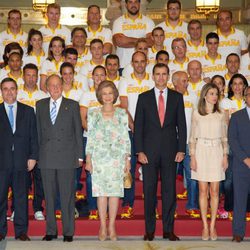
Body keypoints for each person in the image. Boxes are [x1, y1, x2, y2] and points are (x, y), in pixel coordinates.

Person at [134, 63, 186, 241]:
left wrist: (181, 149)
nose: (161, 77)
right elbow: (138, 127)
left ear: (168, 76)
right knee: (149, 191)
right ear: (153, 76)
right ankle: (149, 230)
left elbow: (182, 126)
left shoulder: (177, 97)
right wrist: (139, 151)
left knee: (169, 192)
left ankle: (168, 230)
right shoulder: (144, 97)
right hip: (148, 152)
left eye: (164, 74)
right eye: (158, 74)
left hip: (171, 151)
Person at [36, 74, 83, 242]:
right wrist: (37, 156)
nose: (55, 88)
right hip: (46, 157)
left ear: (62, 86)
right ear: (47, 87)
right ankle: (51, 231)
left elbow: (78, 132)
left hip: (67, 157)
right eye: (51, 85)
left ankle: (68, 231)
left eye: (58, 85)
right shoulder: (40, 105)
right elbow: (38, 133)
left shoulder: (72, 105)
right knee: (49, 196)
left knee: (67, 196)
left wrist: (80, 156)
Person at [86, 80, 131, 241]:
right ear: (99, 95)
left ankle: (112, 225)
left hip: (116, 159)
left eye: (110, 93)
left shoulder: (122, 114)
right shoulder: (93, 113)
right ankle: (102, 226)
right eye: (104, 93)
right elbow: (90, 138)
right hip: (99, 158)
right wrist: (88, 159)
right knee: (101, 193)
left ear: (115, 95)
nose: (107, 96)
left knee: (114, 193)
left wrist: (127, 159)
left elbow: (125, 138)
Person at [0, 77, 38, 241]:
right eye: (5, 89)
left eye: (12, 88)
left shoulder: (28, 111)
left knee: (21, 197)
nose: (9, 92)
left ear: (17, 90)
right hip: (1, 162)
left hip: (22, 161)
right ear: (1, 92)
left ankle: (21, 231)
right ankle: (1, 231)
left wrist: (33, 157)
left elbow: (33, 136)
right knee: (0, 197)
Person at [189, 83, 228, 240]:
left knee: (215, 191)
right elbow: (192, 137)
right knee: (203, 190)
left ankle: (213, 226)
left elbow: (225, 137)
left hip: (216, 151)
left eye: (216, 94)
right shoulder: (196, 113)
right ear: (204, 95)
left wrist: (225, 155)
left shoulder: (222, 113)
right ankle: (204, 226)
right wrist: (192, 157)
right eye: (211, 93)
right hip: (201, 151)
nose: (214, 96)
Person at [119, 51, 154, 219]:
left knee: (151, 169)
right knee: (129, 168)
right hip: (129, 130)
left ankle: (151, 204)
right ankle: (128, 203)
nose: (139, 64)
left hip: (151, 132)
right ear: (131, 64)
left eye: (142, 61)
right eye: (136, 62)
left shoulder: (153, 79)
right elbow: (124, 107)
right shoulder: (124, 81)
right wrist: (134, 125)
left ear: (146, 62)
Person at [17, 63, 47, 221]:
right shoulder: (16, 94)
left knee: (39, 177)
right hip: (21, 143)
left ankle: (37, 208)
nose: (31, 78)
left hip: (38, 142)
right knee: (20, 178)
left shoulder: (43, 96)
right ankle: (18, 209)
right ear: (23, 76)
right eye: (28, 75)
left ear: (37, 77)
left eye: (34, 75)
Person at [172, 71, 199, 218]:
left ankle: (192, 205)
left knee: (192, 175)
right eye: (183, 81)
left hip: (190, 142)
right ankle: (171, 208)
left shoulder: (194, 97)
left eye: (187, 80)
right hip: (172, 142)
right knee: (170, 176)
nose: (186, 83)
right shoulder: (169, 97)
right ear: (175, 83)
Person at [228, 86, 250, 243]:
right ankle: (238, 232)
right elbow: (232, 140)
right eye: (249, 95)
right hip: (241, 164)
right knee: (240, 199)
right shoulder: (236, 116)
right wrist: (245, 159)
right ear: (244, 97)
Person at [112, 0, 155, 70]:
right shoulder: (118, 22)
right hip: (123, 65)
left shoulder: (148, 21)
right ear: (126, 5)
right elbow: (119, 41)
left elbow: (151, 42)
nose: (133, 4)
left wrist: (127, 40)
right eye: (130, 2)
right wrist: (142, 42)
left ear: (139, 4)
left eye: (136, 2)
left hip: (143, 66)